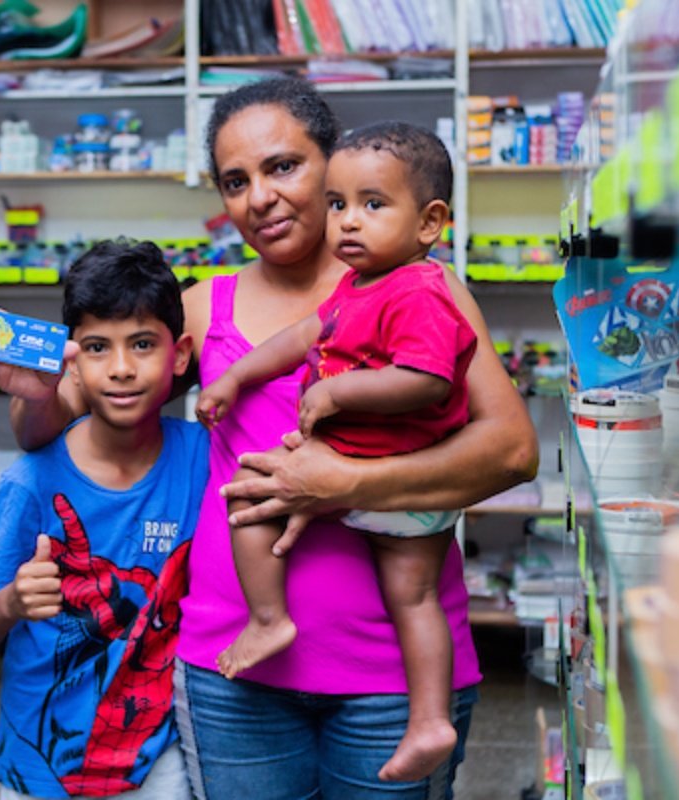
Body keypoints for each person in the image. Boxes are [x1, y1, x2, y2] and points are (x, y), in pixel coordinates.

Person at [0, 78, 538, 800]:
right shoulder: (206, 307)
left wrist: (344, 484)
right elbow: (65, 415)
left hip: (394, 677)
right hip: (232, 676)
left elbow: (512, 452)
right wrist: (37, 394)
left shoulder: (421, 289)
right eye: (236, 182)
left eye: (283, 167)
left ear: (333, 165)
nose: (260, 198)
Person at [195, 120, 473, 782]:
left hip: (399, 487)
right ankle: (271, 620)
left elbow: (433, 382)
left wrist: (341, 397)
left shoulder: (426, 288)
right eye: (342, 205)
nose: (349, 221)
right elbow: (299, 338)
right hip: (238, 680)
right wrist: (234, 376)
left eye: (371, 205)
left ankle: (429, 717)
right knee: (254, 499)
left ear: (430, 222)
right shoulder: (355, 288)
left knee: (413, 597)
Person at [0, 240, 208, 800]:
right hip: (37, 771)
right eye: (97, 347)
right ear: (72, 360)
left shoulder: (202, 459)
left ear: (180, 354)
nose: (120, 369)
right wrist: (11, 604)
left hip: (156, 763)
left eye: (142, 344)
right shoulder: (31, 481)